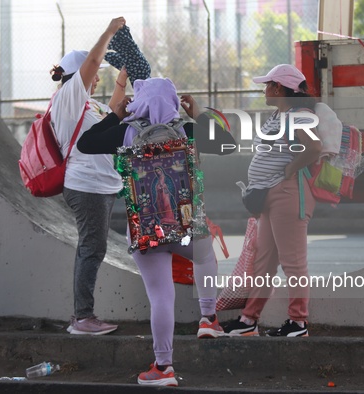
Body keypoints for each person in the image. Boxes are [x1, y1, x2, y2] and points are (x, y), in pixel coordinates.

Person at [77, 77, 235, 386]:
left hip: (145, 226)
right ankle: (209, 318)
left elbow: (85, 143)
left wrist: (117, 115)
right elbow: (227, 144)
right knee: (204, 255)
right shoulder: (187, 132)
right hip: (186, 220)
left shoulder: (126, 132)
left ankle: (164, 368)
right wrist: (199, 113)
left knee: (161, 296)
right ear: (174, 103)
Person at [222, 64, 322, 338]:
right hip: (271, 196)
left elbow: (314, 148)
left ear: (279, 88)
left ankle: (298, 323)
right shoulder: (282, 114)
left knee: (293, 262)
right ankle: (248, 321)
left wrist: (289, 171)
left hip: (287, 195)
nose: (264, 89)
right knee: (263, 262)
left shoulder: (297, 115)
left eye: (268, 85)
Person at [50, 17, 128, 335]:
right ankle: (83, 317)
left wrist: (122, 81)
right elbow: (94, 60)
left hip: (100, 185)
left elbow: (110, 115)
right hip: (86, 185)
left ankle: (82, 316)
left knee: (92, 246)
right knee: (92, 248)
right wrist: (108, 31)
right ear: (83, 73)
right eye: (94, 74)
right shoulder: (69, 96)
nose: (97, 79)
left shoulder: (86, 104)